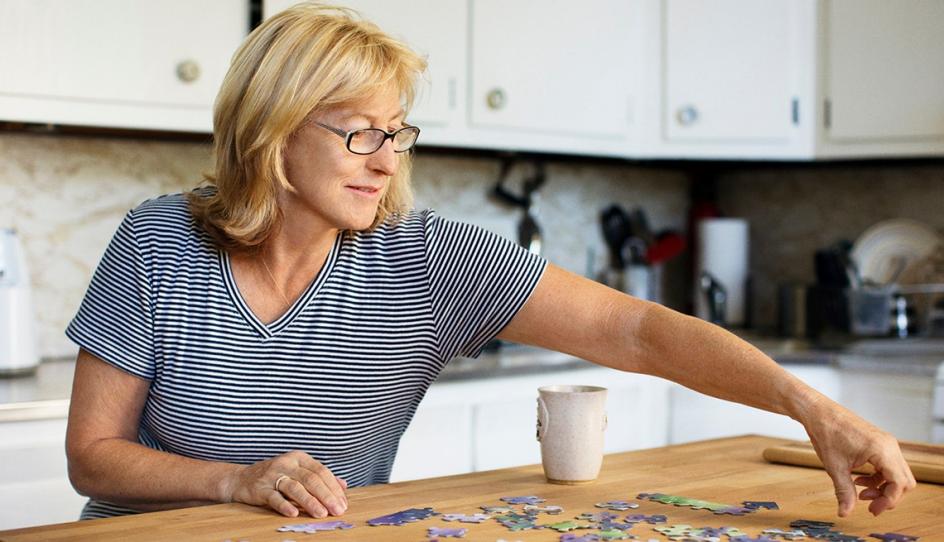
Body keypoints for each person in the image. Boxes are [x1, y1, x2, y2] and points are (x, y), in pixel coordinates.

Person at [64, 2, 915, 523]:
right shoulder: (160, 240)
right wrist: (236, 483)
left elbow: (639, 330)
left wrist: (813, 410)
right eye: (359, 131)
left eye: (396, 132)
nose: (386, 157)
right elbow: (93, 456)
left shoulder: (428, 259)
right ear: (273, 129)